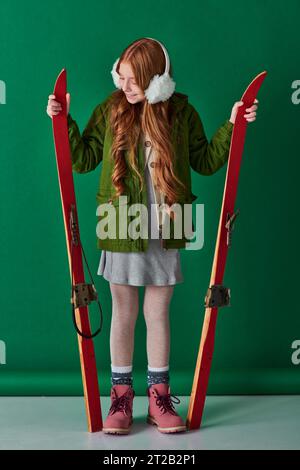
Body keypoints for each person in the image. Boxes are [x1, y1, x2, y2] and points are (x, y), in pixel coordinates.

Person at [46, 37, 258, 435]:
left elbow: (208, 161)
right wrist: (65, 122)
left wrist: (233, 124)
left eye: (133, 80)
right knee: (124, 311)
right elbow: (84, 158)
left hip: (167, 224)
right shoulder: (111, 109)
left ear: (157, 80)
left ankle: (159, 398)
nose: (124, 87)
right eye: (121, 77)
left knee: (157, 312)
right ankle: (121, 400)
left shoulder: (180, 112)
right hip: (120, 220)